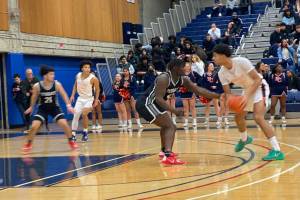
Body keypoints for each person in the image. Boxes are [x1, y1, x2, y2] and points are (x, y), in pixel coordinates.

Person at [136, 59, 220, 165]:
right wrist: (174, 111)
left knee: (166, 126)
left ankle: (164, 152)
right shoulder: (164, 78)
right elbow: (159, 99)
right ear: (175, 68)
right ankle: (168, 156)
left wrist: (218, 96)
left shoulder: (183, 79)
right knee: (170, 126)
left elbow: (198, 90)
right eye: (183, 66)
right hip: (146, 103)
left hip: (154, 104)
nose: (186, 68)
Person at [213, 43, 285, 161]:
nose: (213, 58)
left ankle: (277, 151)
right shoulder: (221, 73)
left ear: (223, 55)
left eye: (215, 56)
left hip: (259, 86)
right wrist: (226, 102)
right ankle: (245, 139)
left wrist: (246, 96)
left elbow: (257, 79)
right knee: (238, 117)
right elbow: (228, 94)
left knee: (258, 117)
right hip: (247, 90)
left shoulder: (241, 61)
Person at [22, 65, 78, 152]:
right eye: (51, 74)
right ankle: (28, 144)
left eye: (53, 74)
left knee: (64, 124)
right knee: (34, 126)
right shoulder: (37, 86)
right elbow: (34, 97)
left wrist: (68, 106)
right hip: (42, 108)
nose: (53, 76)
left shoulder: (57, 84)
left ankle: (71, 141)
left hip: (54, 108)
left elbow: (64, 94)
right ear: (45, 76)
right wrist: (31, 107)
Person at [70, 60, 100, 142]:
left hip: (89, 99)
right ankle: (73, 135)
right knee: (75, 115)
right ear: (82, 68)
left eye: (89, 67)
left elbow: (98, 90)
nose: (88, 69)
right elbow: (75, 85)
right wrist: (72, 95)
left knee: (84, 113)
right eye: (86, 67)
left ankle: (85, 132)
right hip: (80, 98)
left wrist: (96, 100)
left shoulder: (93, 78)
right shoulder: (78, 75)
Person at [178, 61, 201, 128]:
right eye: (186, 66)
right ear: (184, 67)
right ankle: (186, 121)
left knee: (192, 107)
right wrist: (180, 87)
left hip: (191, 92)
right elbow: (178, 82)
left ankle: (194, 121)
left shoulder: (193, 73)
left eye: (189, 66)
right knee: (185, 108)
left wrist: (196, 84)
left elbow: (201, 79)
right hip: (183, 93)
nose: (188, 67)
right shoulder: (181, 74)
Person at [201, 62, 224, 128]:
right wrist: (210, 86)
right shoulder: (204, 75)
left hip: (215, 92)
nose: (212, 67)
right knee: (207, 106)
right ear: (207, 67)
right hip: (207, 92)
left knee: (216, 105)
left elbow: (219, 83)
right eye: (211, 65)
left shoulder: (216, 74)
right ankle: (207, 120)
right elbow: (203, 84)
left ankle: (219, 119)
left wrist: (216, 86)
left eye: (213, 66)